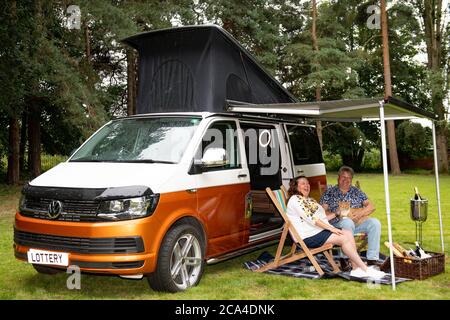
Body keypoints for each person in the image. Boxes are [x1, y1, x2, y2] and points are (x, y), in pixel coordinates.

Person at [286, 175, 385, 279]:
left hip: (317, 232)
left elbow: (323, 218)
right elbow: (312, 219)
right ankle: (365, 269)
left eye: (307, 183)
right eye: (303, 183)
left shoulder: (309, 200)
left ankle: (356, 269)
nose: (307, 185)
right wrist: (331, 228)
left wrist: (337, 213)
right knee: (343, 238)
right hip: (307, 236)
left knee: (347, 232)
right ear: (296, 187)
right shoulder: (295, 199)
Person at [319, 166, 382, 266]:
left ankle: (372, 259)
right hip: (338, 225)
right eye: (343, 177)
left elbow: (371, 206)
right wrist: (337, 213)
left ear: (351, 179)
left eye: (349, 178)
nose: (346, 180)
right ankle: (345, 258)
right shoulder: (330, 192)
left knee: (375, 223)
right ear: (338, 178)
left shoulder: (357, 192)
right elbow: (321, 212)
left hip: (357, 223)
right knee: (347, 222)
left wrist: (359, 214)